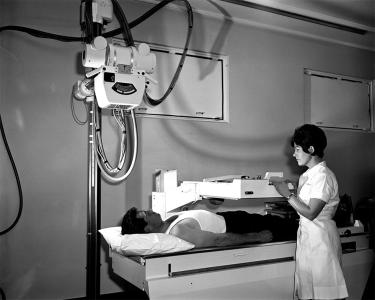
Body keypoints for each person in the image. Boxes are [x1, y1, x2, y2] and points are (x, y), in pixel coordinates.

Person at [270, 124, 348, 300]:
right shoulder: (309, 175)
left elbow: (312, 212)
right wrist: (291, 185)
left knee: (325, 293)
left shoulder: (323, 176)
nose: (294, 154)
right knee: (309, 292)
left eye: (297, 149)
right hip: (309, 237)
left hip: (321, 239)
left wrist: (288, 194)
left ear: (311, 149)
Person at [121, 207, 298, 248]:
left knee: (283, 222)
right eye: (146, 214)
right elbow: (218, 239)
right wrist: (257, 237)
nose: (150, 210)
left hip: (230, 217)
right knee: (290, 228)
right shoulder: (177, 232)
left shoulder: (167, 222)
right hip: (238, 227)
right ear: (147, 229)